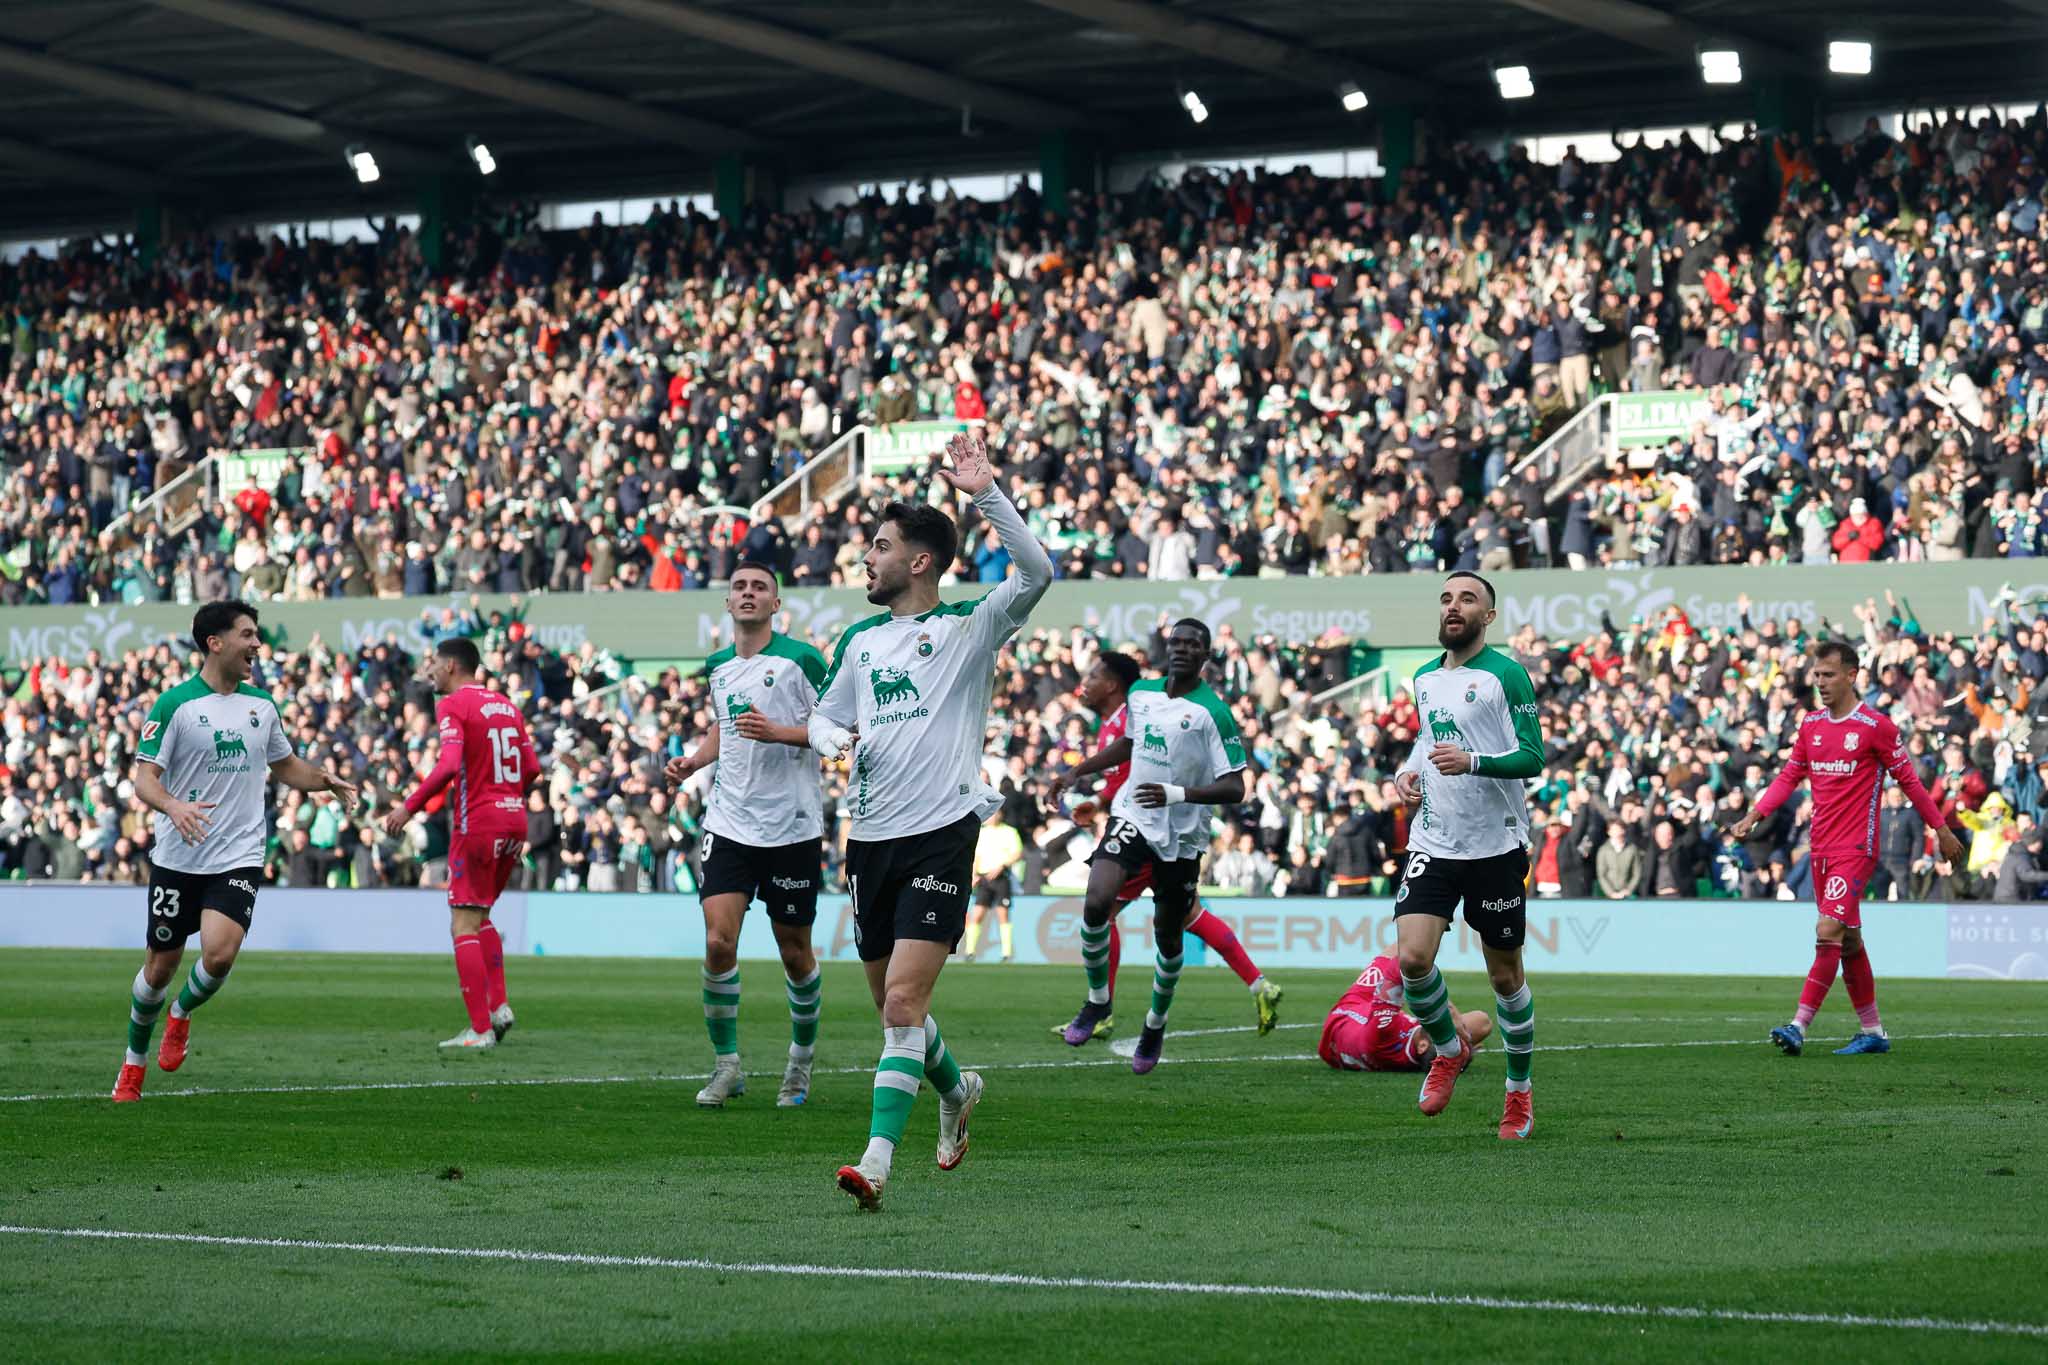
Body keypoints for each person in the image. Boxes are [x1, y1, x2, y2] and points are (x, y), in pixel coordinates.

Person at [810, 431, 1051, 1211]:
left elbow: (1039, 570)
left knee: (903, 1006)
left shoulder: (967, 630)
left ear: (917, 561)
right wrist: (832, 737)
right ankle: (956, 1091)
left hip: (943, 833)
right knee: (893, 1006)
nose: (866, 558)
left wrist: (986, 493)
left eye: (879, 546)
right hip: (869, 838)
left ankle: (875, 1162)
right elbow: (823, 716)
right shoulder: (860, 644)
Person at [113, 601, 358, 1102]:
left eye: (257, 634)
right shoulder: (174, 705)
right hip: (179, 858)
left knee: (220, 955)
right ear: (215, 642)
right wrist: (173, 806)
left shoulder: (261, 706)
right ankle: (133, 1062)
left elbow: (287, 766)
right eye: (247, 635)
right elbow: (143, 779)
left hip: (239, 855)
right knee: (159, 967)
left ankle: (180, 1014)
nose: (256, 644)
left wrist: (324, 779)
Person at [1731, 640, 1963, 1056]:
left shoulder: (1875, 727)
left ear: (1852, 675)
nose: (1820, 682)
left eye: (1828, 675)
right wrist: (1755, 814)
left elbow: (1909, 781)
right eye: (1816, 675)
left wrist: (1941, 829)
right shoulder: (1811, 725)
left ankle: (1798, 1026)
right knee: (1849, 941)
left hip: (1857, 848)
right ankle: (1874, 1032)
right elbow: (1788, 776)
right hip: (1820, 848)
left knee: (1827, 932)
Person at [1045, 650, 1281, 1043]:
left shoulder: (1133, 717)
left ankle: (1105, 1008)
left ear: (1113, 685)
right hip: (1143, 823)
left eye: (1093, 675)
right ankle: (1257, 984)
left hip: (1166, 827)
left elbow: (1135, 773)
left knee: (1110, 912)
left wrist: (1101, 801)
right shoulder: (1128, 713)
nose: (1084, 682)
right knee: (1182, 916)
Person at [663, 561, 832, 1106]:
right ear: (728, 603)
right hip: (730, 821)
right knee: (717, 941)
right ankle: (727, 1064)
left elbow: (838, 727)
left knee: (795, 953)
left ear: (776, 604)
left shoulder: (802, 659)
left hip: (792, 827)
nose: (749, 594)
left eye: (760, 587)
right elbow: (724, 724)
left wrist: (781, 732)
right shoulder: (716, 666)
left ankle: (800, 1064)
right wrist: (694, 761)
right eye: (740, 587)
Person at [1392, 572, 1544, 1140]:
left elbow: (1533, 756)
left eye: (1468, 599)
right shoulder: (1425, 677)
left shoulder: (1507, 675)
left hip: (1495, 845)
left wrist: (1474, 761)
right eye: (1448, 598)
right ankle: (1451, 1049)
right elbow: (1426, 739)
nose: (1454, 607)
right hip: (1434, 838)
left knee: (1505, 978)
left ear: (1489, 615)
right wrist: (1408, 771)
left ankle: (1519, 1094)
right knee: (1411, 960)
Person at [384, 636, 539, 1051]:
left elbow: (450, 764)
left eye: (433, 662)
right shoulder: (506, 705)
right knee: (482, 915)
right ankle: (499, 1006)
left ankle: (479, 1030)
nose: (429, 670)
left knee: (462, 924)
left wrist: (408, 809)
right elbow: (533, 769)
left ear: (451, 665)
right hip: (514, 819)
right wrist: (507, 799)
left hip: (479, 822)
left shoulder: (452, 704)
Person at [1319, 955, 1492, 1072]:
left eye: (1445, 1035)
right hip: (1363, 1043)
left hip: (1343, 1020)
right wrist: (1464, 1048)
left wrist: (1450, 1012)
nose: (1446, 1030)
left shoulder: (1384, 1030)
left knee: (1403, 949)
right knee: (1482, 1025)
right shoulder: (1423, 1052)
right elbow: (1483, 1021)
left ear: (1422, 1045)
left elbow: (1402, 961)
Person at [964, 807, 1022, 962]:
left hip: (1001, 877)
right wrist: (974, 874)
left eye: (996, 813)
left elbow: (1017, 853)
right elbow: (975, 855)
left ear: (1001, 815)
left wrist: (1002, 865)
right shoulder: (981, 832)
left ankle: (1006, 953)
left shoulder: (1010, 832)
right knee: (977, 914)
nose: (992, 817)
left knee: (1002, 915)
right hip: (984, 878)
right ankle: (970, 952)